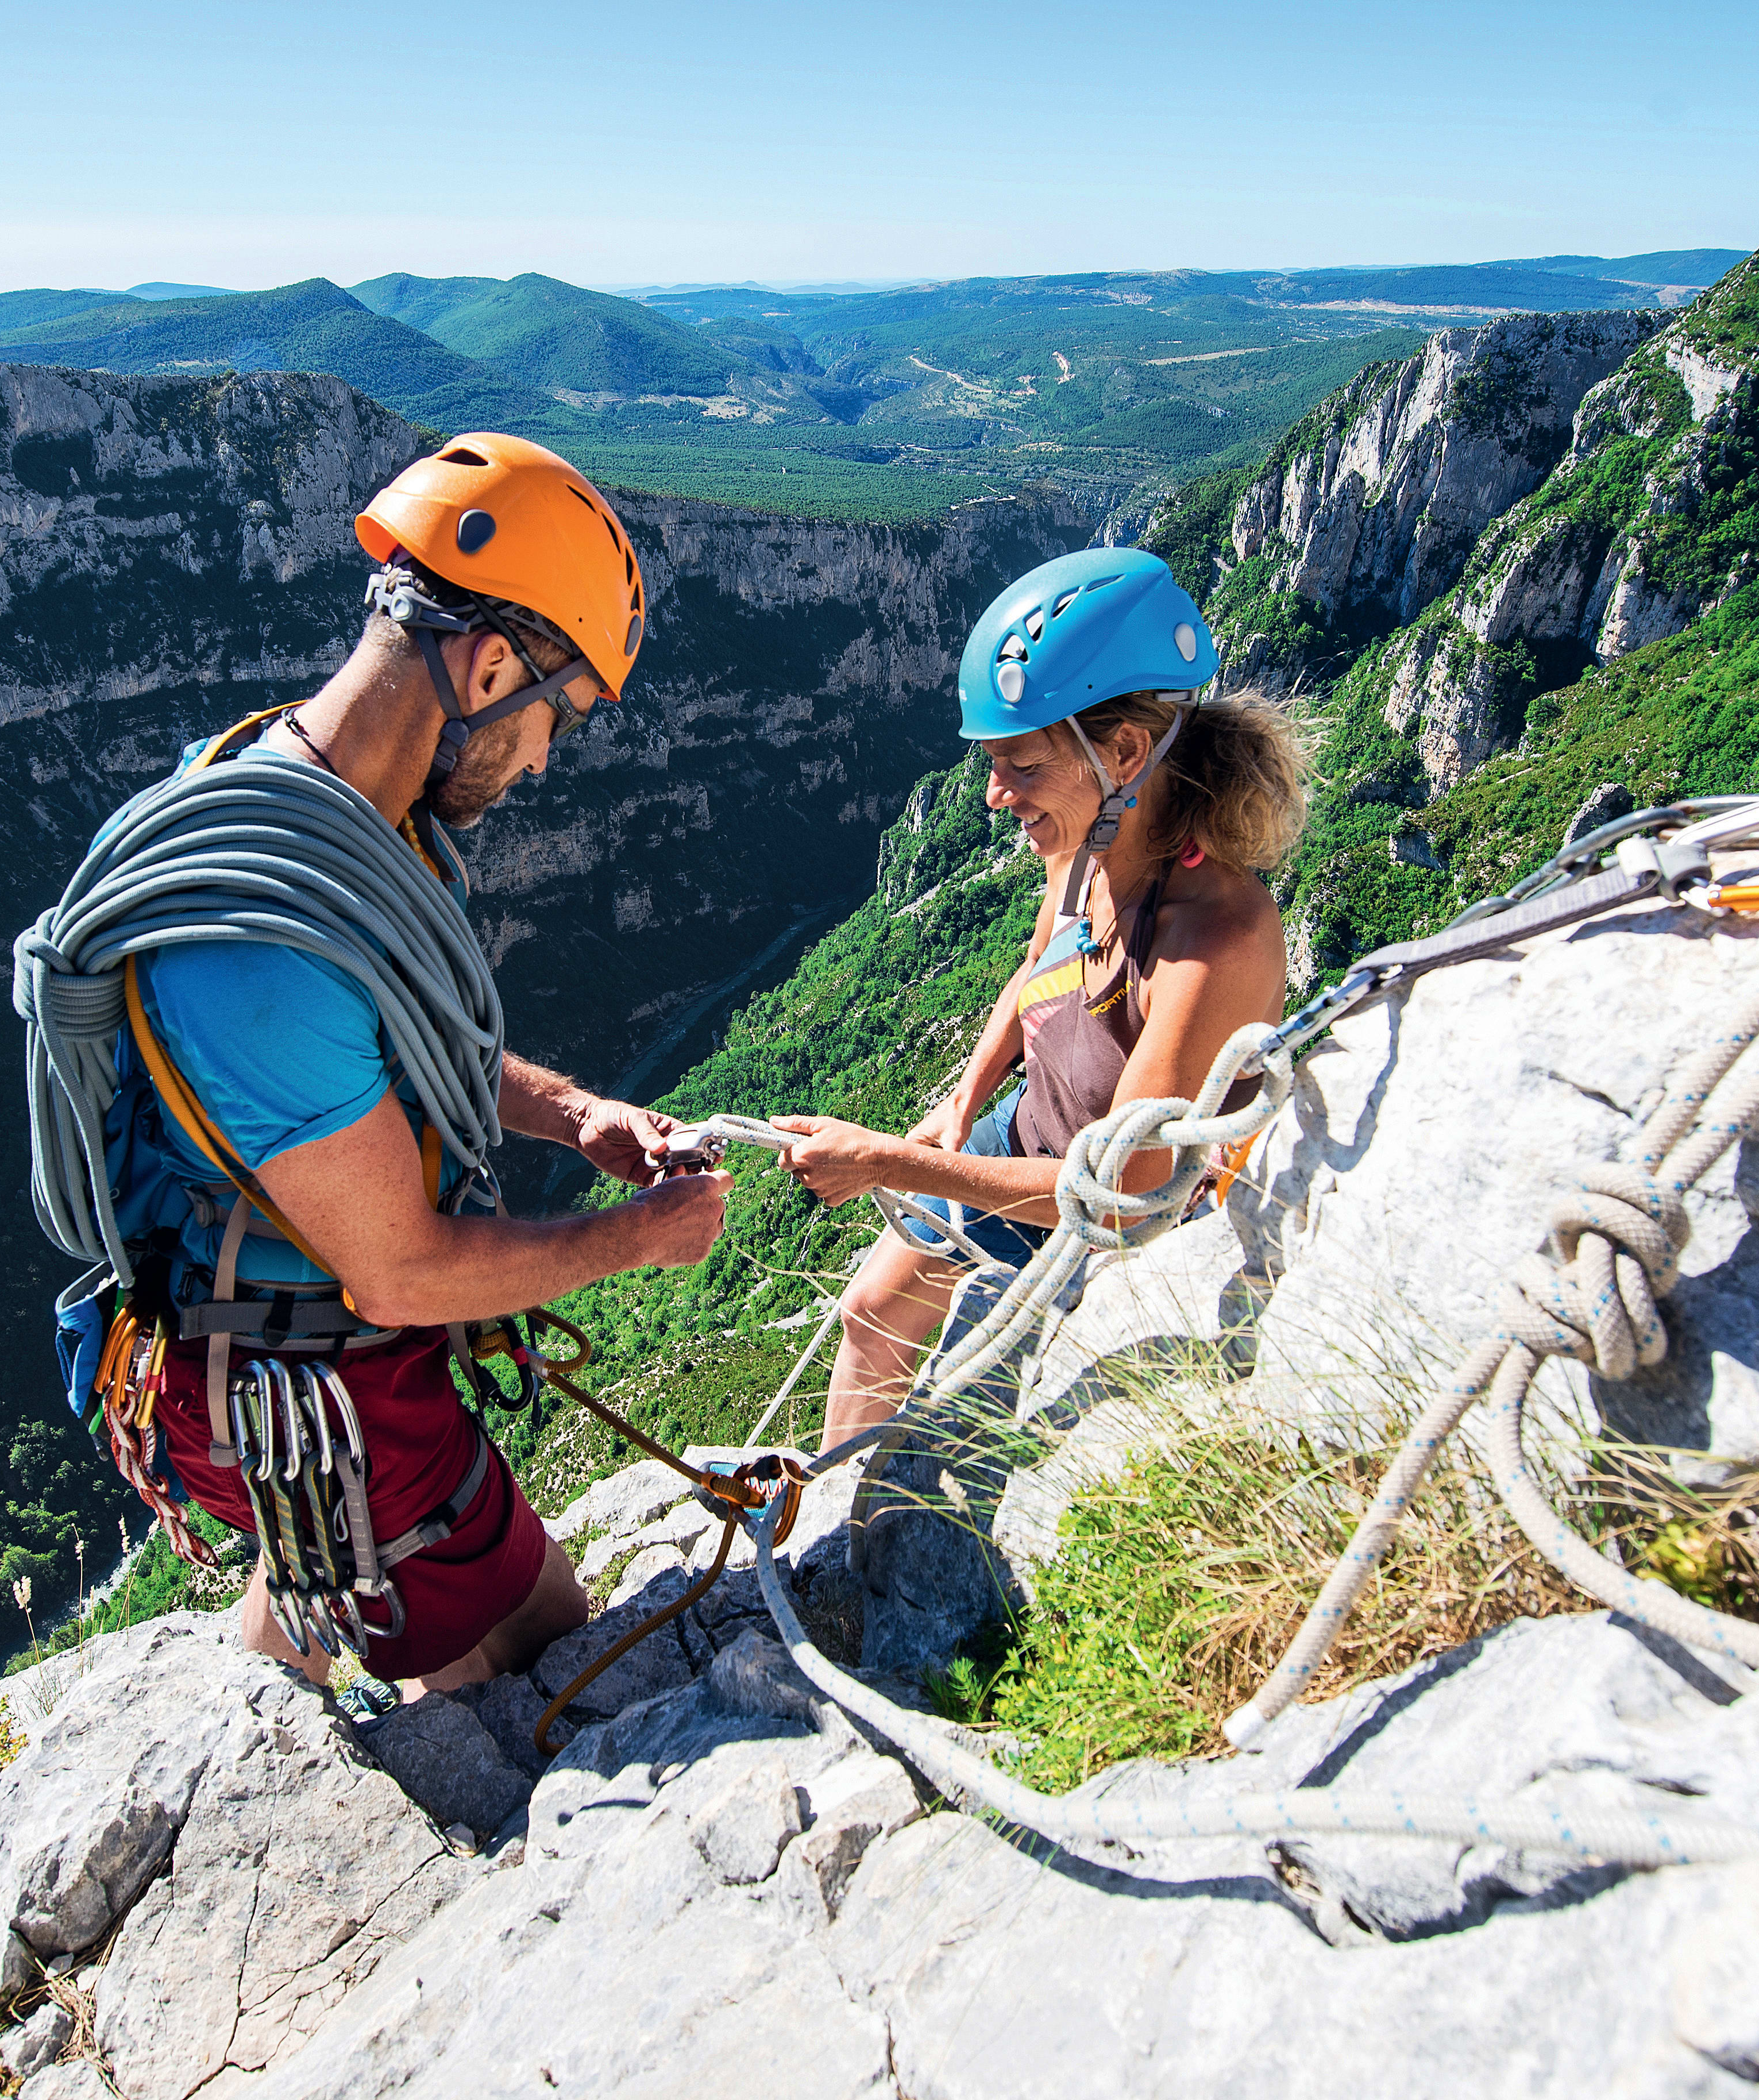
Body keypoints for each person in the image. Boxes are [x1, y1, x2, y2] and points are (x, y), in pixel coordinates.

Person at [88, 433, 727, 1692]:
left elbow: (401, 1053)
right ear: (489, 662)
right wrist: (635, 1239)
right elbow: (398, 1272)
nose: (544, 759)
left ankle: (290, 1653)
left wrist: (577, 1113)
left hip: (286, 1349)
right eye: (556, 715)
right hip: (308, 1384)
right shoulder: (260, 940)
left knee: (509, 1607)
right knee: (547, 1655)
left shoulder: (301, 800)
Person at [769, 549, 1306, 1449]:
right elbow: (1037, 977)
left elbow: (1125, 1194)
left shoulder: (1218, 938)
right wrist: (964, 1098)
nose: (991, 795)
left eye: (1017, 764)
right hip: (1022, 1138)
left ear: (1124, 752)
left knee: (990, 1418)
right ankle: (824, 1529)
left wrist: (888, 1162)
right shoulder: (1080, 848)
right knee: (869, 1315)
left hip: (1114, 1220)